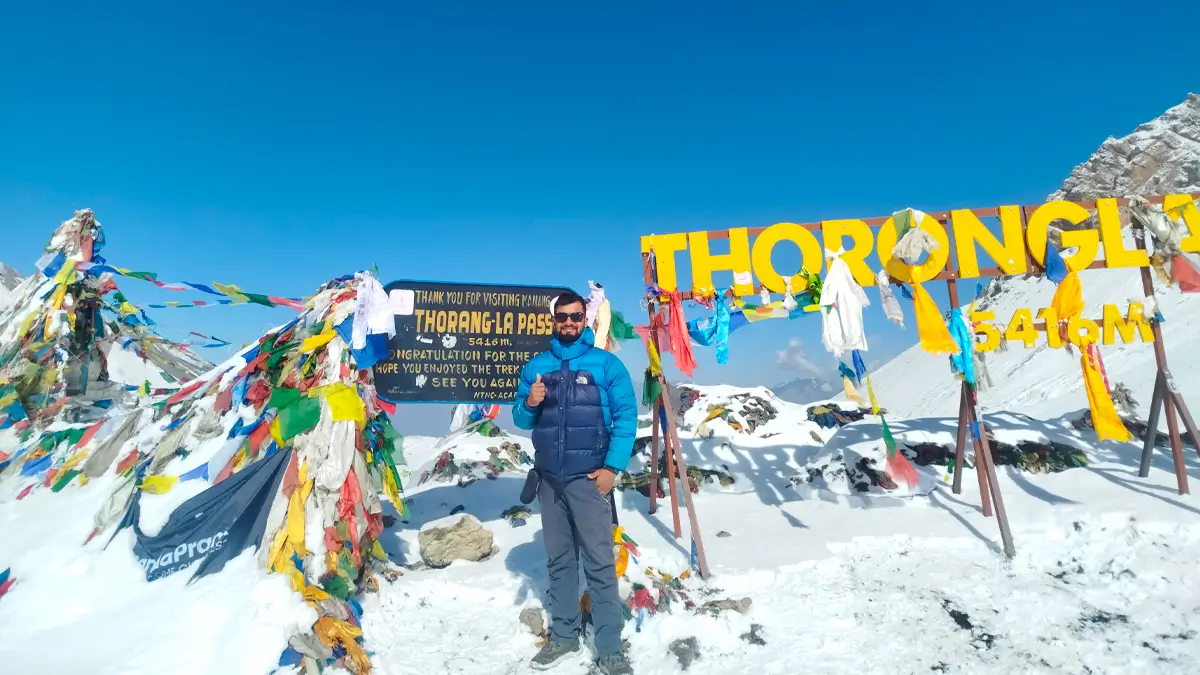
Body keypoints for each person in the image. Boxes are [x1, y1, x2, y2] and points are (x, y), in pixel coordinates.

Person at [512, 291, 638, 675]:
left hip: (588, 481)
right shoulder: (536, 366)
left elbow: (627, 416)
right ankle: (564, 636)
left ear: (586, 319)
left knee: (600, 563)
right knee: (560, 562)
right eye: (562, 317)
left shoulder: (606, 364)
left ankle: (610, 647)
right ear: (553, 320)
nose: (569, 322)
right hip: (550, 481)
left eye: (576, 316)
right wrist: (530, 402)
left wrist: (611, 469)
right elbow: (520, 419)